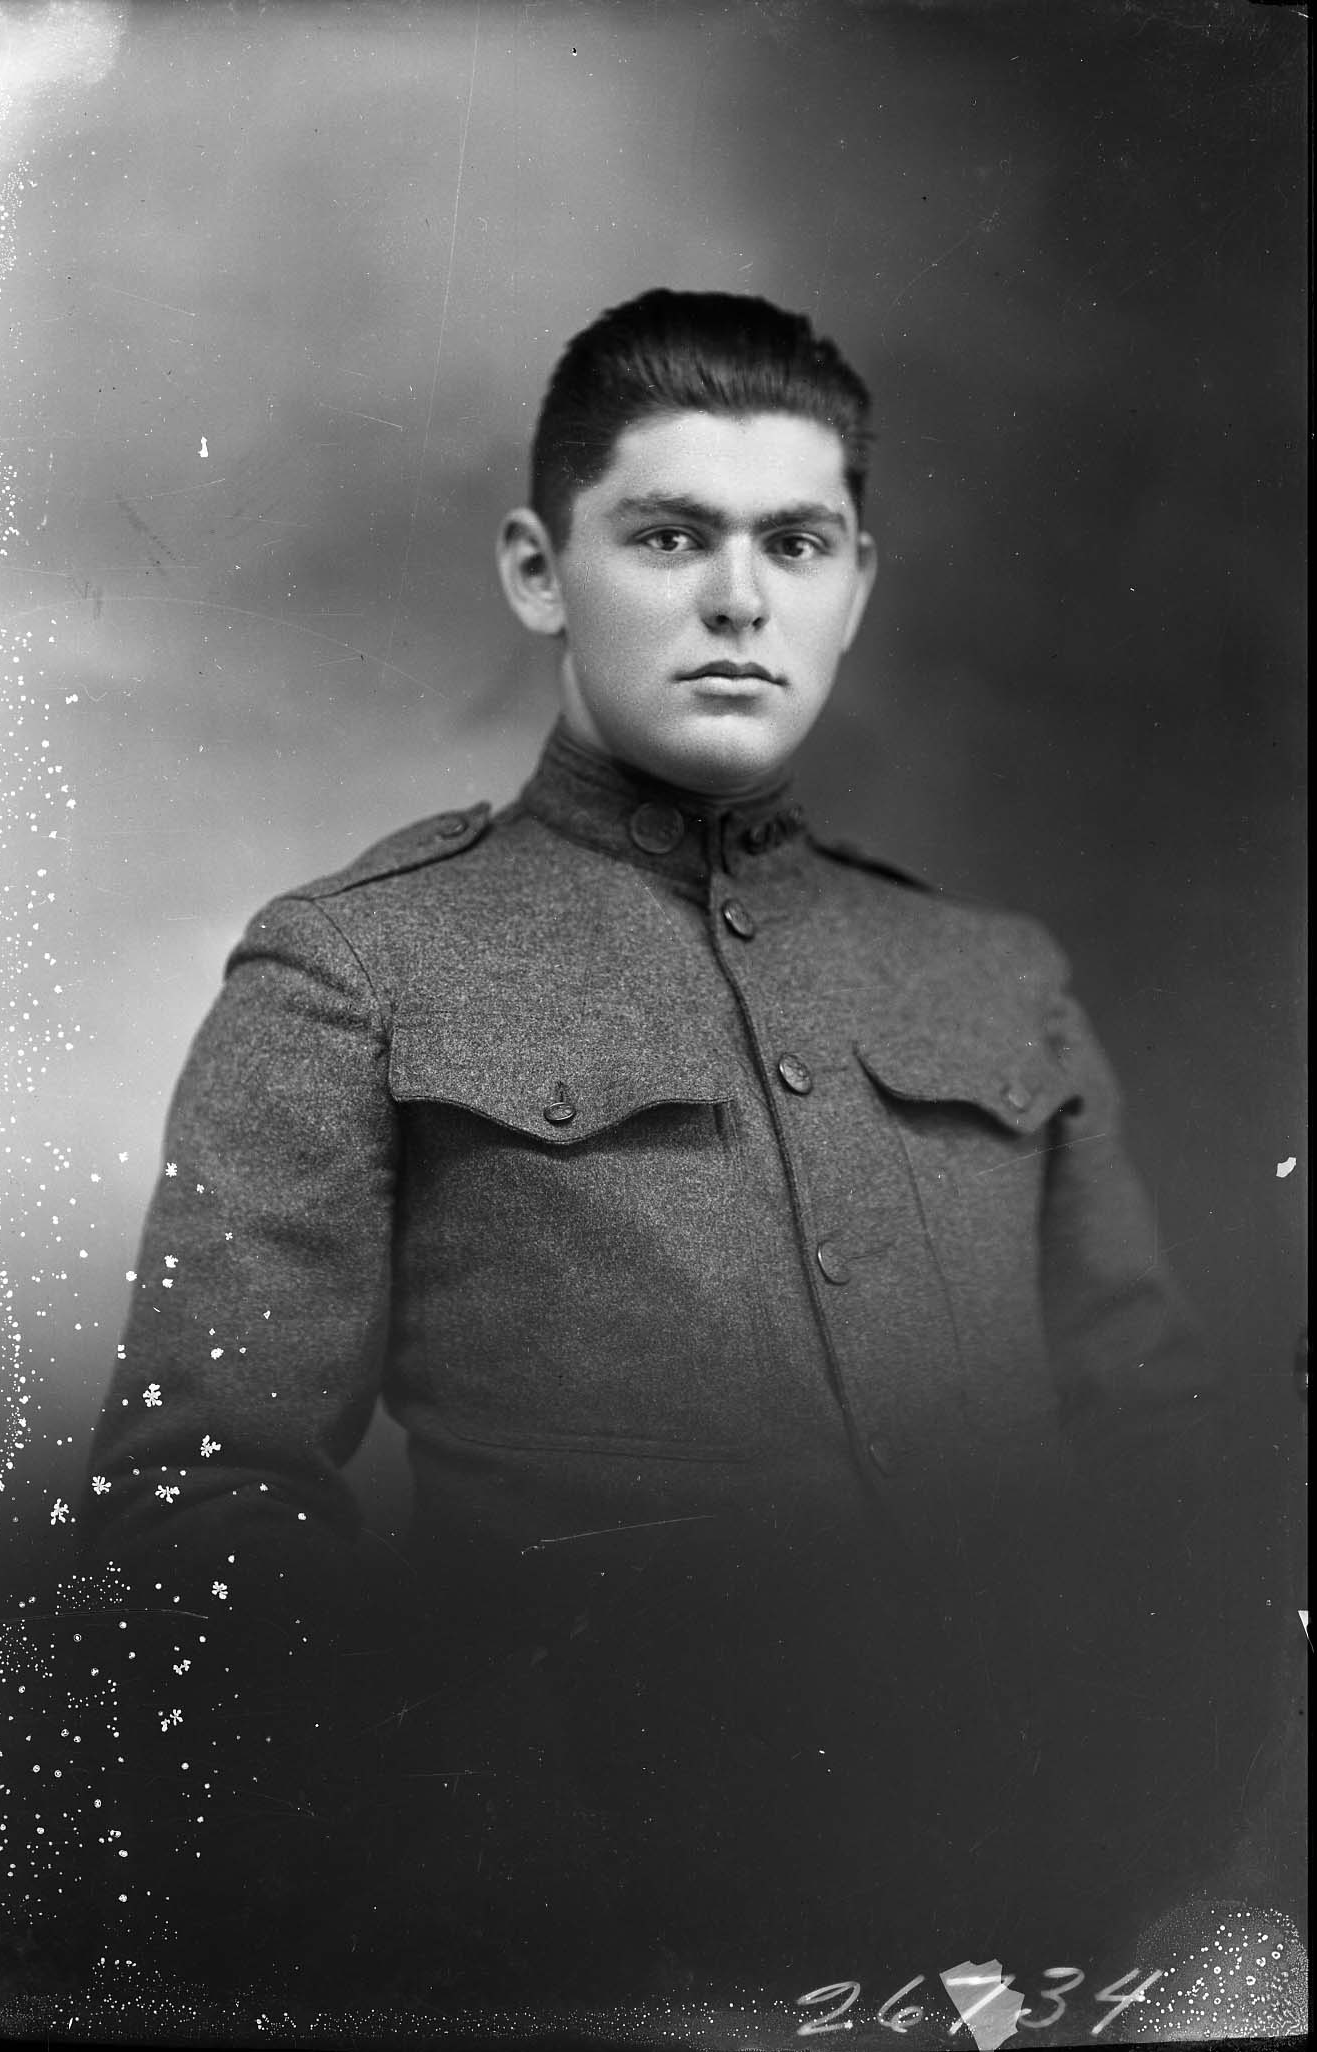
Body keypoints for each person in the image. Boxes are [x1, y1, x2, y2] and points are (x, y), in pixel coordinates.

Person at [77, 291, 1259, 2010]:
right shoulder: (353, 968)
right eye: (669, 535)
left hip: (1047, 1933)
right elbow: (198, 1501)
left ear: (858, 583)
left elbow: (1168, 1466)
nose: (739, 598)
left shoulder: (995, 977)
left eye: (796, 541)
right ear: (538, 570)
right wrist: (469, 1855)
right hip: (591, 1956)